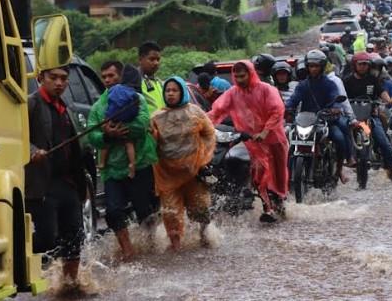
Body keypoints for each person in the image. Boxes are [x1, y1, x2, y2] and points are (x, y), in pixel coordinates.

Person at [87, 65, 157, 261]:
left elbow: (143, 124)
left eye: (111, 75)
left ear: (121, 76)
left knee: (144, 210)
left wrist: (121, 129)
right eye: (104, 76)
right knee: (113, 211)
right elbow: (92, 135)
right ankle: (128, 251)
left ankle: (151, 245)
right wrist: (107, 135)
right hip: (112, 171)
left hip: (139, 164)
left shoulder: (137, 100)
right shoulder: (98, 107)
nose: (108, 80)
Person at [26, 66, 86, 288]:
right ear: (41, 78)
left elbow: (75, 149)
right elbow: (15, 135)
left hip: (68, 182)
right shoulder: (31, 104)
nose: (59, 83)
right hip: (43, 185)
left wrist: (82, 185)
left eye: (63, 79)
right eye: (53, 78)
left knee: (74, 237)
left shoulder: (65, 107)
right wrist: (33, 151)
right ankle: (36, 279)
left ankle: (71, 285)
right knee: (47, 239)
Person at [207, 61, 289, 223]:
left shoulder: (266, 89)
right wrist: (202, 123)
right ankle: (268, 208)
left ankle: (278, 203)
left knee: (278, 178)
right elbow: (217, 111)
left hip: (274, 140)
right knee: (260, 173)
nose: (239, 79)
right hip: (254, 142)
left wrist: (265, 132)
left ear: (250, 74)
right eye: (236, 76)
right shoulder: (233, 93)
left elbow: (277, 111)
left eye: (242, 76)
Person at [150, 77, 216, 250]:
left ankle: (203, 235)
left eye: (174, 90)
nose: (170, 94)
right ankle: (176, 247)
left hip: (193, 172)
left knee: (200, 208)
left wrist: (203, 159)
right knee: (171, 213)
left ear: (182, 92)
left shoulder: (195, 112)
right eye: (167, 90)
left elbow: (209, 135)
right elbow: (152, 143)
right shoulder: (156, 117)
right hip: (167, 175)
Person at [286, 50, 353, 182]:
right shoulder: (303, 85)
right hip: (305, 122)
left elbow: (335, 97)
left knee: (339, 138)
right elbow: (293, 99)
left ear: (322, 67)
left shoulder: (330, 84)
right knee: (290, 142)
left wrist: (335, 108)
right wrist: (285, 107)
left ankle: (339, 170)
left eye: (316, 66)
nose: (313, 69)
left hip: (325, 121)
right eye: (311, 66)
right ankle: (288, 177)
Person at [344, 53, 392, 181]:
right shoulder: (347, 81)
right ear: (354, 66)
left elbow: (381, 92)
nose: (363, 67)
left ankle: (391, 170)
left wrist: (388, 100)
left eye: (366, 64)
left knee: (383, 142)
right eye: (360, 64)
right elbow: (341, 96)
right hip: (353, 120)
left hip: (370, 118)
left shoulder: (372, 80)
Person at [138, 41, 164, 113]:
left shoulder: (159, 82)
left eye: (158, 59)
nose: (156, 63)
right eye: (152, 59)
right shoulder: (134, 81)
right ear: (140, 60)